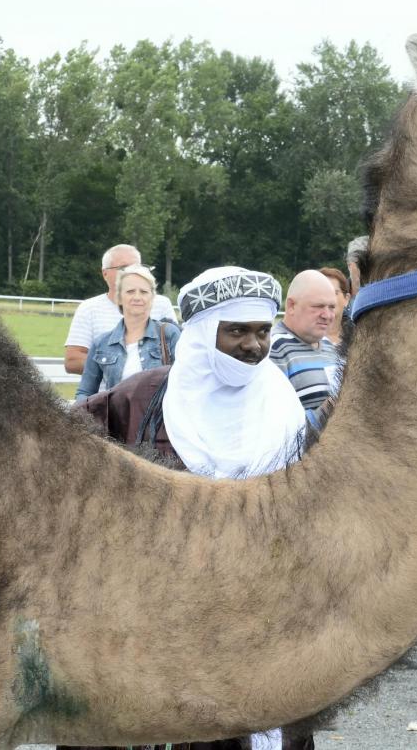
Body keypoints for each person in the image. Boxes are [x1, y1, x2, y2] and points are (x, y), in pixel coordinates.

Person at [71, 266, 311, 750]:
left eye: (263, 331)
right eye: (237, 331)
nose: (253, 346)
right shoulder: (143, 396)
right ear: (203, 333)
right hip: (155, 614)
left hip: (257, 615)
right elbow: (61, 449)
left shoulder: (283, 405)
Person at [64, 245, 176, 375]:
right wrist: (119, 364)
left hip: (155, 394)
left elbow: (178, 352)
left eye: (137, 268)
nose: (132, 273)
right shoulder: (89, 309)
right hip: (105, 395)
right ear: (105, 274)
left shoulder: (162, 305)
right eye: (123, 268)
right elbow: (72, 361)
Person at [75, 265, 179, 401]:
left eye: (143, 292)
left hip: (159, 421)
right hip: (116, 421)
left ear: (152, 297)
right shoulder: (101, 343)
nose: (137, 297)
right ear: (119, 297)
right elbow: (85, 392)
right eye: (130, 291)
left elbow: (186, 383)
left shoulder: (169, 334)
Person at [269, 270, 340, 411]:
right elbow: (274, 421)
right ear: (291, 306)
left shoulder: (329, 346)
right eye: (318, 306)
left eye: (332, 307)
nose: (327, 315)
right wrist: (330, 409)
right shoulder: (273, 348)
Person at [317, 266, 350, 345]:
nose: (328, 298)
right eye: (322, 292)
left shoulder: (359, 337)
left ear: (346, 299)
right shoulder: (302, 336)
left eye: (335, 293)